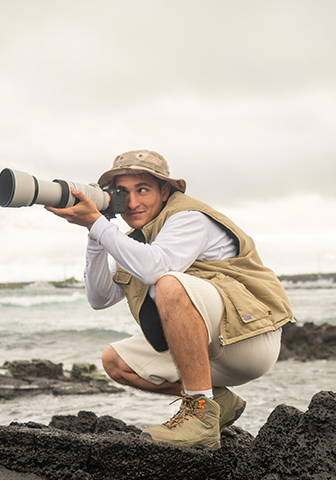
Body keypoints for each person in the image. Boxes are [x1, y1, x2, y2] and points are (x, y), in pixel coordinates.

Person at [45, 150, 294, 450]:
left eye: (143, 189)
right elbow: (100, 297)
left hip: (250, 340)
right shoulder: (136, 240)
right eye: (123, 192)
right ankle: (219, 402)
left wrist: (100, 225)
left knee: (168, 284)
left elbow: (156, 268)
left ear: (165, 191)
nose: (133, 202)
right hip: (212, 351)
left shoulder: (189, 218)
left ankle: (199, 413)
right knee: (115, 361)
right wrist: (94, 232)